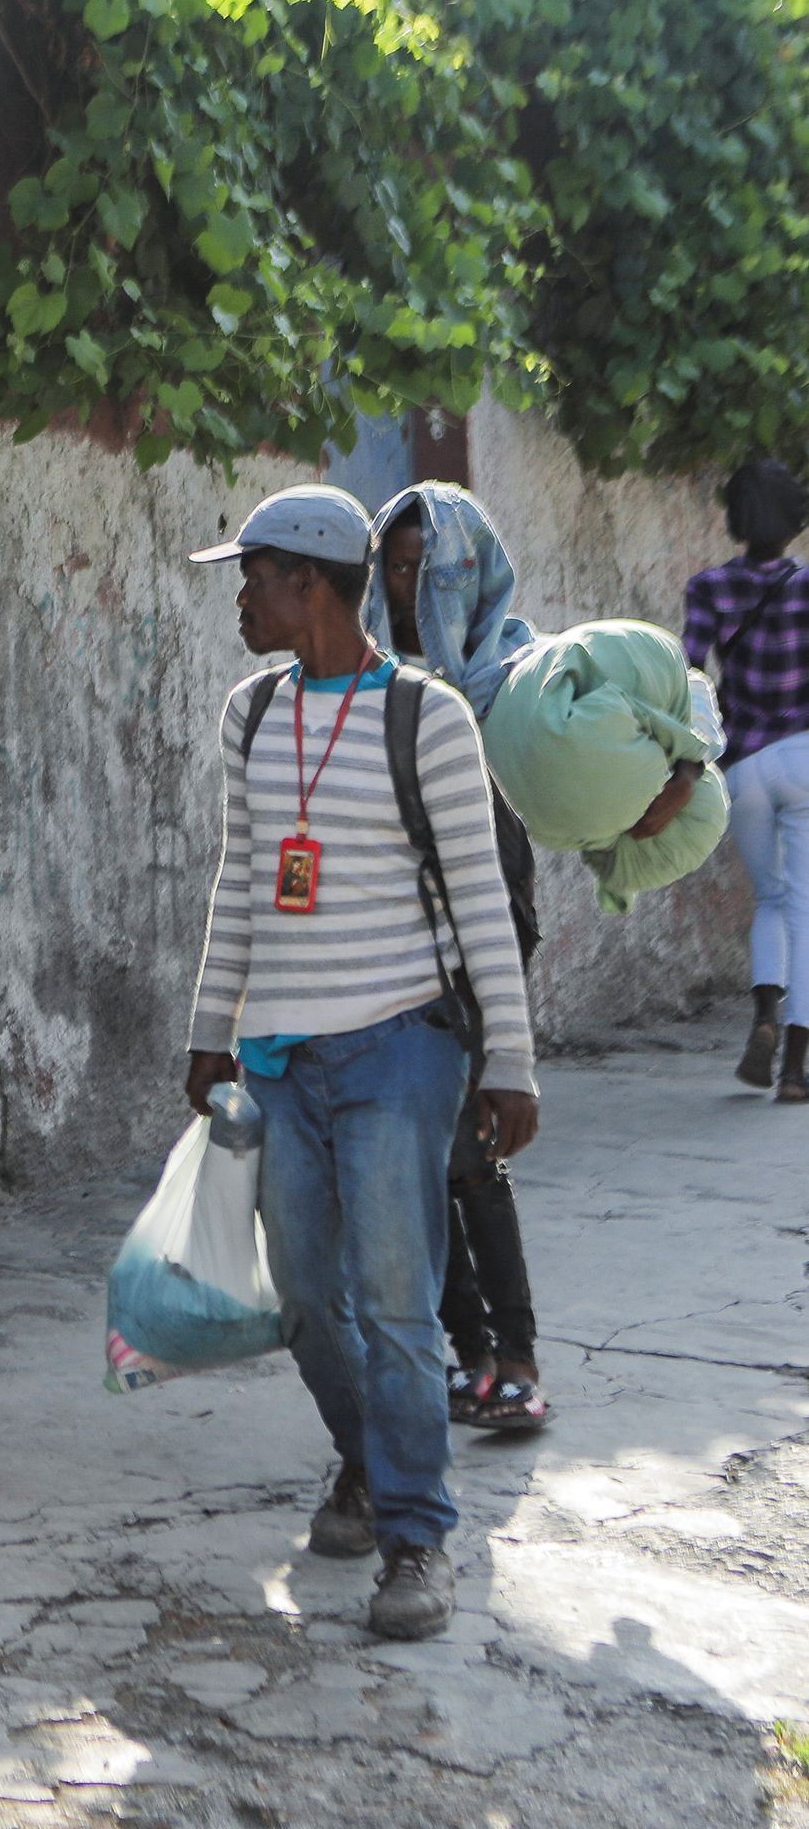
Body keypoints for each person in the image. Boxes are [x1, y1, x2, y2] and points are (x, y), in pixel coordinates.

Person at [183, 486, 536, 1644]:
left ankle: (414, 1539)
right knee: (302, 1305)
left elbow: (479, 894)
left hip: (398, 1044)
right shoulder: (248, 711)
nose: (239, 597)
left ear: (312, 585)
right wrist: (207, 1027)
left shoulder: (424, 717)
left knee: (394, 1303)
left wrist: (509, 1062)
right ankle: (370, 1460)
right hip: (282, 1053)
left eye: (254, 577)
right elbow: (241, 874)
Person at [369, 484, 553, 1433]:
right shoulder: (362, 674)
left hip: (483, 928)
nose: (404, 588)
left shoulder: (515, 677)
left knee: (472, 1153)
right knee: (417, 1162)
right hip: (393, 934)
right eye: (392, 567)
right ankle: (469, 1354)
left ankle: (516, 1359)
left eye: (422, 569)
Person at [686, 456, 809, 1103]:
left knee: (772, 901)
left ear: (735, 520)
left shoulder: (709, 589)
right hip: (804, 756)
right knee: (807, 909)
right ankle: (794, 1067)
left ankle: (763, 1015)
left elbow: (687, 674)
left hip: (743, 765)